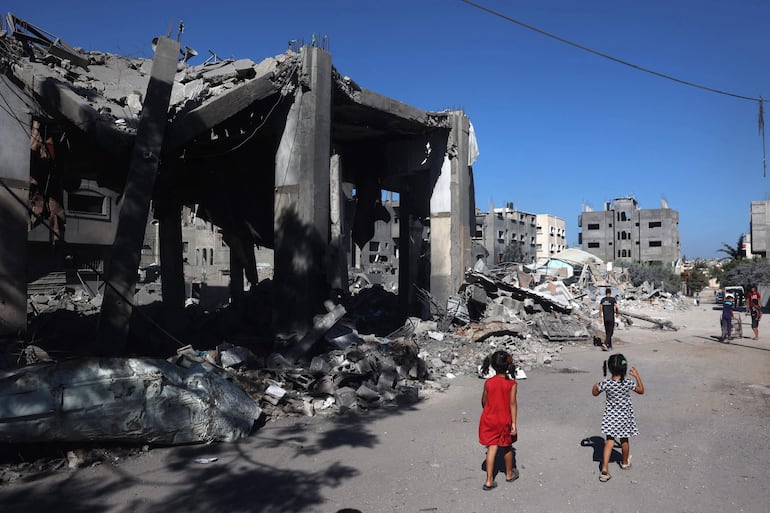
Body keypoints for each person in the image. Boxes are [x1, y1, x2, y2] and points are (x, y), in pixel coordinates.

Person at [591, 354, 645, 482]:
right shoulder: (627, 382)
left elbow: (594, 393)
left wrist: (595, 385)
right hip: (624, 416)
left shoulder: (606, 383)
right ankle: (625, 462)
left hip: (611, 416)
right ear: (624, 369)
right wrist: (637, 375)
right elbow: (641, 390)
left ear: (609, 368)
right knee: (624, 439)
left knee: (609, 440)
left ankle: (604, 469)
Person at [478, 350, 518, 490]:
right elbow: (512, 404)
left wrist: (489, 410)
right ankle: (509, 473)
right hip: (504, 420)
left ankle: (489, 480)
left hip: (489, 418)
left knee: (492, 447)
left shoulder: (488, 383)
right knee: (507, 447)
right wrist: (513, 423)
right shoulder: (511, 384)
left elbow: (484, 401)